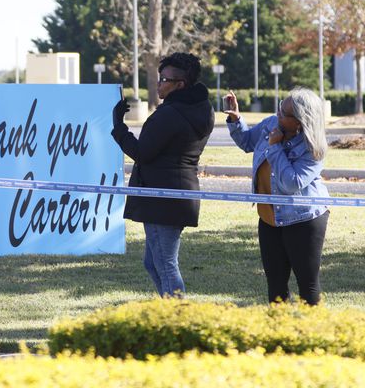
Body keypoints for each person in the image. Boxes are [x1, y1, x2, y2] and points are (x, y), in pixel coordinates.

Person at [111, 53, 214, 297]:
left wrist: (118, 126)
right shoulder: (202, 108)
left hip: (163, 198)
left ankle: (177, 320)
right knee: (153, 262)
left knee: (166, 264)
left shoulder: (170, 114)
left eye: (164, 79)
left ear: (180, 84)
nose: (158, 83)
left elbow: (141, 152)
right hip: (179, 193)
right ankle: (170, 311)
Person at [225, 87, 329, 305]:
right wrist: (236, 118)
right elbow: (247, 142)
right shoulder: (272, 123)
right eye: (279, 108)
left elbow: (292, 183)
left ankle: (312, 334)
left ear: (301, 121)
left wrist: (275, 147)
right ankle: (279, 334)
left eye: (284, 113)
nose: (277, 115)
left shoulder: (313, 149)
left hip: (304, 218)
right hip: (269, 217)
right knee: (275, 284)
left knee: (307, 285)